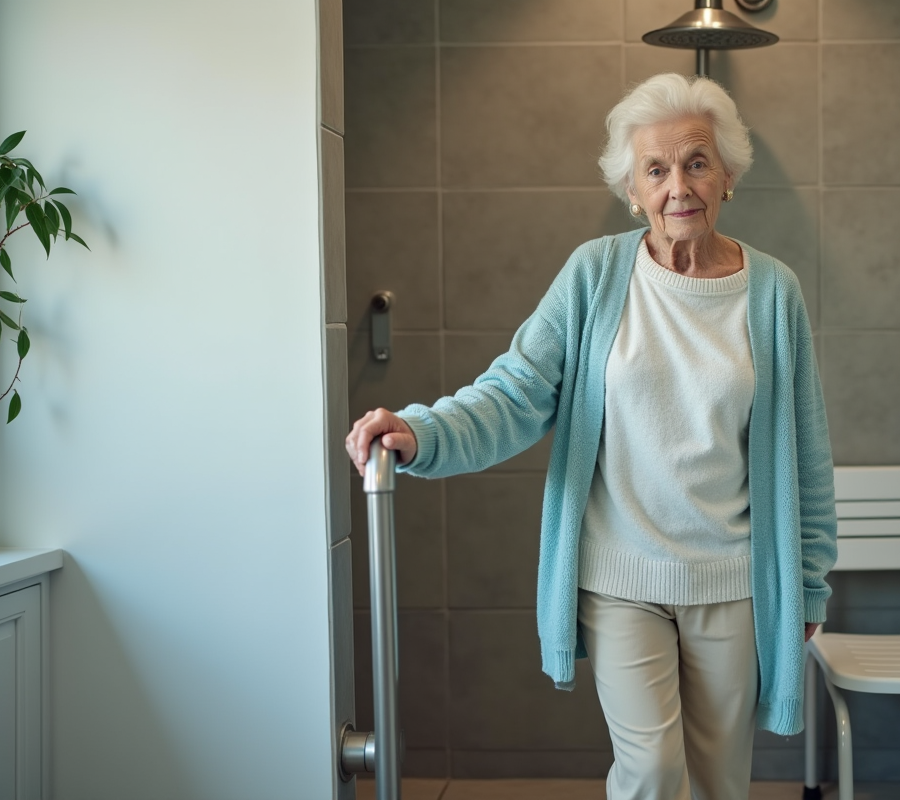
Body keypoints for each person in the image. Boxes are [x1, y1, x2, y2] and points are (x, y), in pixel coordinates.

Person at [345, 72, 837, 800]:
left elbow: (806, 453)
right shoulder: (594, 275)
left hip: (733, 581)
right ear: (632, 190)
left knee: (719, 783)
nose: (680, 186)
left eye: (697, 162)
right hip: (620, 578)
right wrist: (422, 432)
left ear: (728, 175)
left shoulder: (773, 292)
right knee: (650, 772)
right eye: (657, 169)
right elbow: (513, 391)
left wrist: (809, 587)